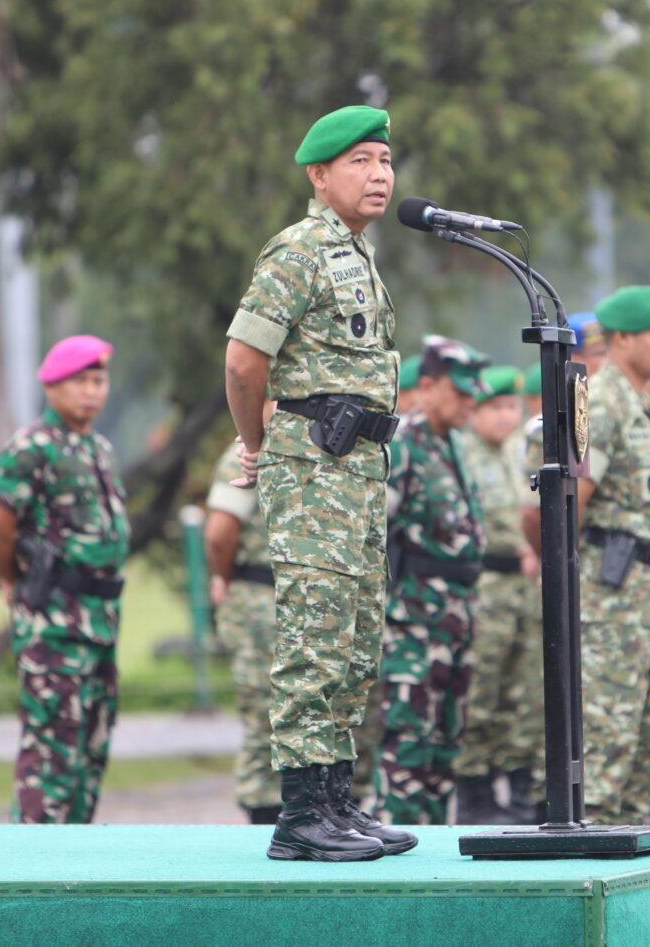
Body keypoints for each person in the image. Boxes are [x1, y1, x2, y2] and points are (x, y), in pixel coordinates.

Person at [222, 103, 412, 862]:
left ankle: (336, 799)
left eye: (386, 161)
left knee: (354, 637)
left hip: (359, 472)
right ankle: (301, 816)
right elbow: (243, 360)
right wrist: (257, 442)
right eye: (361, 160)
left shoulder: (357, 253)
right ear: (319, 174)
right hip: (314, 472)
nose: (379, 175)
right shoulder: (300, 250)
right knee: (315, 637)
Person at [0, 334, 129, 825]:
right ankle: (35, 874)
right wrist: (12, 578)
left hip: (100, 623)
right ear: (53, 386)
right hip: (54, 623)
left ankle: (75, 872)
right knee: (51, 753)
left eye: (99, 381)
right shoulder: (32, 447)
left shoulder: (97, 447)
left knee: (90, 749)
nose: (91, 391)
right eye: (80, 381)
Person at [573, 284, 650, 824]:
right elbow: (565, 505)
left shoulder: (643, 404)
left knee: (647, 751)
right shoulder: (603, 400)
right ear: (623, 338)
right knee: (608, 747)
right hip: (614, 602)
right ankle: (592, 868)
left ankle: (633, 863)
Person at [373, 337, 490, 825]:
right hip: (414, 627)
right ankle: (392, 854)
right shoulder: (402, 447)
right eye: (460, 392)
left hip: (455, 624)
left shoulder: (453, 446)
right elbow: (375, 534)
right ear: (427, 386)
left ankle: (433, 860)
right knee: (408, 749)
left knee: (445, 752)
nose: (471, 401)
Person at [455, 366, 543, 825]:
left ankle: (519, 785)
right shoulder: (462, 454)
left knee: (523, 689)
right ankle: (474, 787)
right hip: (483, 583)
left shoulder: (518, 454)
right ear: (474, 410)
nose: (506, 416)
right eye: (496, 407)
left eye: (513, 407)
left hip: (523, 584)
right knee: (480, 687)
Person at [204, 432, 280, 824]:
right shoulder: (246, 453)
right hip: (257, 595)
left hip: (288, 597)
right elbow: (219, 534)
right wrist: (224, 577)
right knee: (264, 714)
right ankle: (262, 813)